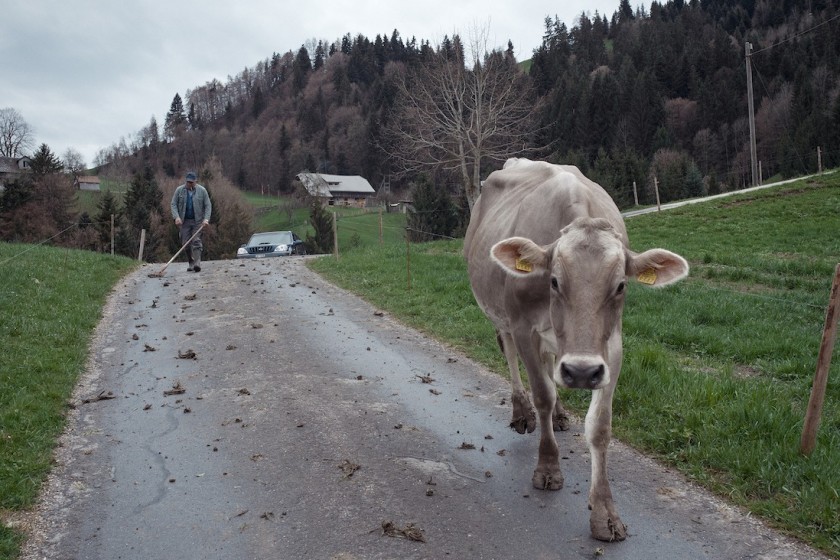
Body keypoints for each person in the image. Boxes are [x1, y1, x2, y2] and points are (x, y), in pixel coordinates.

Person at [170, 171, 212, 272]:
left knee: (196, 241)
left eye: (192, 182)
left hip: (198, 221)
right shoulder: (179, 191)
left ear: (196, 181)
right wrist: (176, 217)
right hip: (184, 222)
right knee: (185, 244)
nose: (190, 184)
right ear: (186, 181)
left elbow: (208, 205)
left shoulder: (202, 191)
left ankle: (197, 263)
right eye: (188, 182)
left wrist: (206, 219)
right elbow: (173, 204)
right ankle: (191, 262)